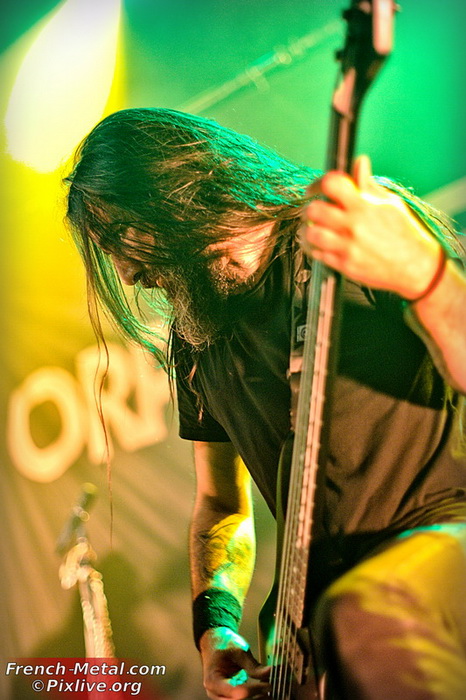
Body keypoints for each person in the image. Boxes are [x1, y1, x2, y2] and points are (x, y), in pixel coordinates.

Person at [64, 108, 466, 699]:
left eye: (122, 234)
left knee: (365, 615)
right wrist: (216, 625)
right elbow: (220, 502)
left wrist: (425, 275)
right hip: (313, 621)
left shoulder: (351, 234)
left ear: (177, 191)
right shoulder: (196, 338)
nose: (125, 273)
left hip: (441, 542)